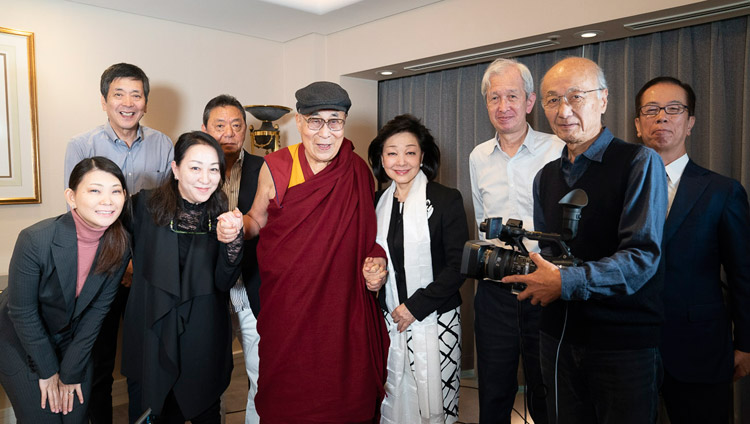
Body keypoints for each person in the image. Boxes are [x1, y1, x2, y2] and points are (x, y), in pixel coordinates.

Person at [502, 57, 668, 423]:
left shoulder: (639, 162)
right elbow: (550, 252)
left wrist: (564, 282)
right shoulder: (545, 177)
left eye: (576, 97)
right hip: (557, 338)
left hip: (622, 343)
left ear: (603, 99)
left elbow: (641, 257)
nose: (564, 111)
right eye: (552, 100)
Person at [218, 81, 389, 422]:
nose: (325, 132)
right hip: (289, 308)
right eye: (315, 121)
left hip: (341, 311)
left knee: (345, 397)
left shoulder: (357, 171)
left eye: (335, 121)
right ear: (299, 122)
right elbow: (257, 220)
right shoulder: (278, 167)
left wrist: (377, 261)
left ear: (344, 123)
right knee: (286, 397)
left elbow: (369, 234)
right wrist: (238, 226)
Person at [634, 76, 750, 423]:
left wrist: (745, 342)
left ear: (690, 122)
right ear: (638, 125)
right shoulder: (619, 191)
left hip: (699, 345)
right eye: (651, 111)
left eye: (674, 109)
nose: (662, 118)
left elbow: (743, 272)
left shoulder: (722, 191)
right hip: (630, 348)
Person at [63, 62, 174, 424]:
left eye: (136, 94)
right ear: (104, 100)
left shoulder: (163, 145)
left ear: (146, 101)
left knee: (147, 358)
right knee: (99, 362)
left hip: (148, 271)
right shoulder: (82, 145)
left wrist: (139, 264)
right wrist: (120, 260)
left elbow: (168, 212)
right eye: (119, 94)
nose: (128, 102)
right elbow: (78, 215)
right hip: (99, 267)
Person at [121, 131, 244, 423]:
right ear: (176, 169)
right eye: (195, 168)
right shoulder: (142, 206)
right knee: (155, 412)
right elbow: (110, 249)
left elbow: (224, 282)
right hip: (153, 332)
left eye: (214, 169)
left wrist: (233, 242)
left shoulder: (221, 215)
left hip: (203, 336)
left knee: (205, 411)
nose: (205, 178)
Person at [0, 157, 131, 423]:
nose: (107, 200)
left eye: (115, 191)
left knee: (75, 417)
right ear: (71, 197)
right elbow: (23, 312)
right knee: (45, 418)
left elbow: (97, 313)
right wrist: (48, 373)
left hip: (71, 339)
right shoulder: (35, 239)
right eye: (95, 190)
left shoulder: (121, 243)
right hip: (19, 338)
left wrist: (70, 373)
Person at [468, 58, 563, 424]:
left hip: (546, 286)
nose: (503, 106)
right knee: (494, 390)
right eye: (494, 98)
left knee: (546, 390)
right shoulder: (479, 156)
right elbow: (482, 222)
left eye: (512, 96)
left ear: (530, 101)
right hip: (495, 291)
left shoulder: (556, 149)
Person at [365, 114, 468, 423]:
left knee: (436, 401)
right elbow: (372, 257)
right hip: (389, 321)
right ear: (381, 157)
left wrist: (415, 307)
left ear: (422, 156)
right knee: (396, 397)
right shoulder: (375, 203)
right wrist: (371, 277)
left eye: (410, 151)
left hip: (437, 321)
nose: (401, 160)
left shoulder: (446, 199)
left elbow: (458, 266)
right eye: (392, 152)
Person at [201, 94, 264, 424]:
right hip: (209, 288)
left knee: (261, 371)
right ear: (205, 129)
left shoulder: (265, 169)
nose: (228, 132)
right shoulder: (193, 173)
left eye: (236, 125)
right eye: (220, 125)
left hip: (251, 284)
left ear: (245, 130)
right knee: (211, 375)